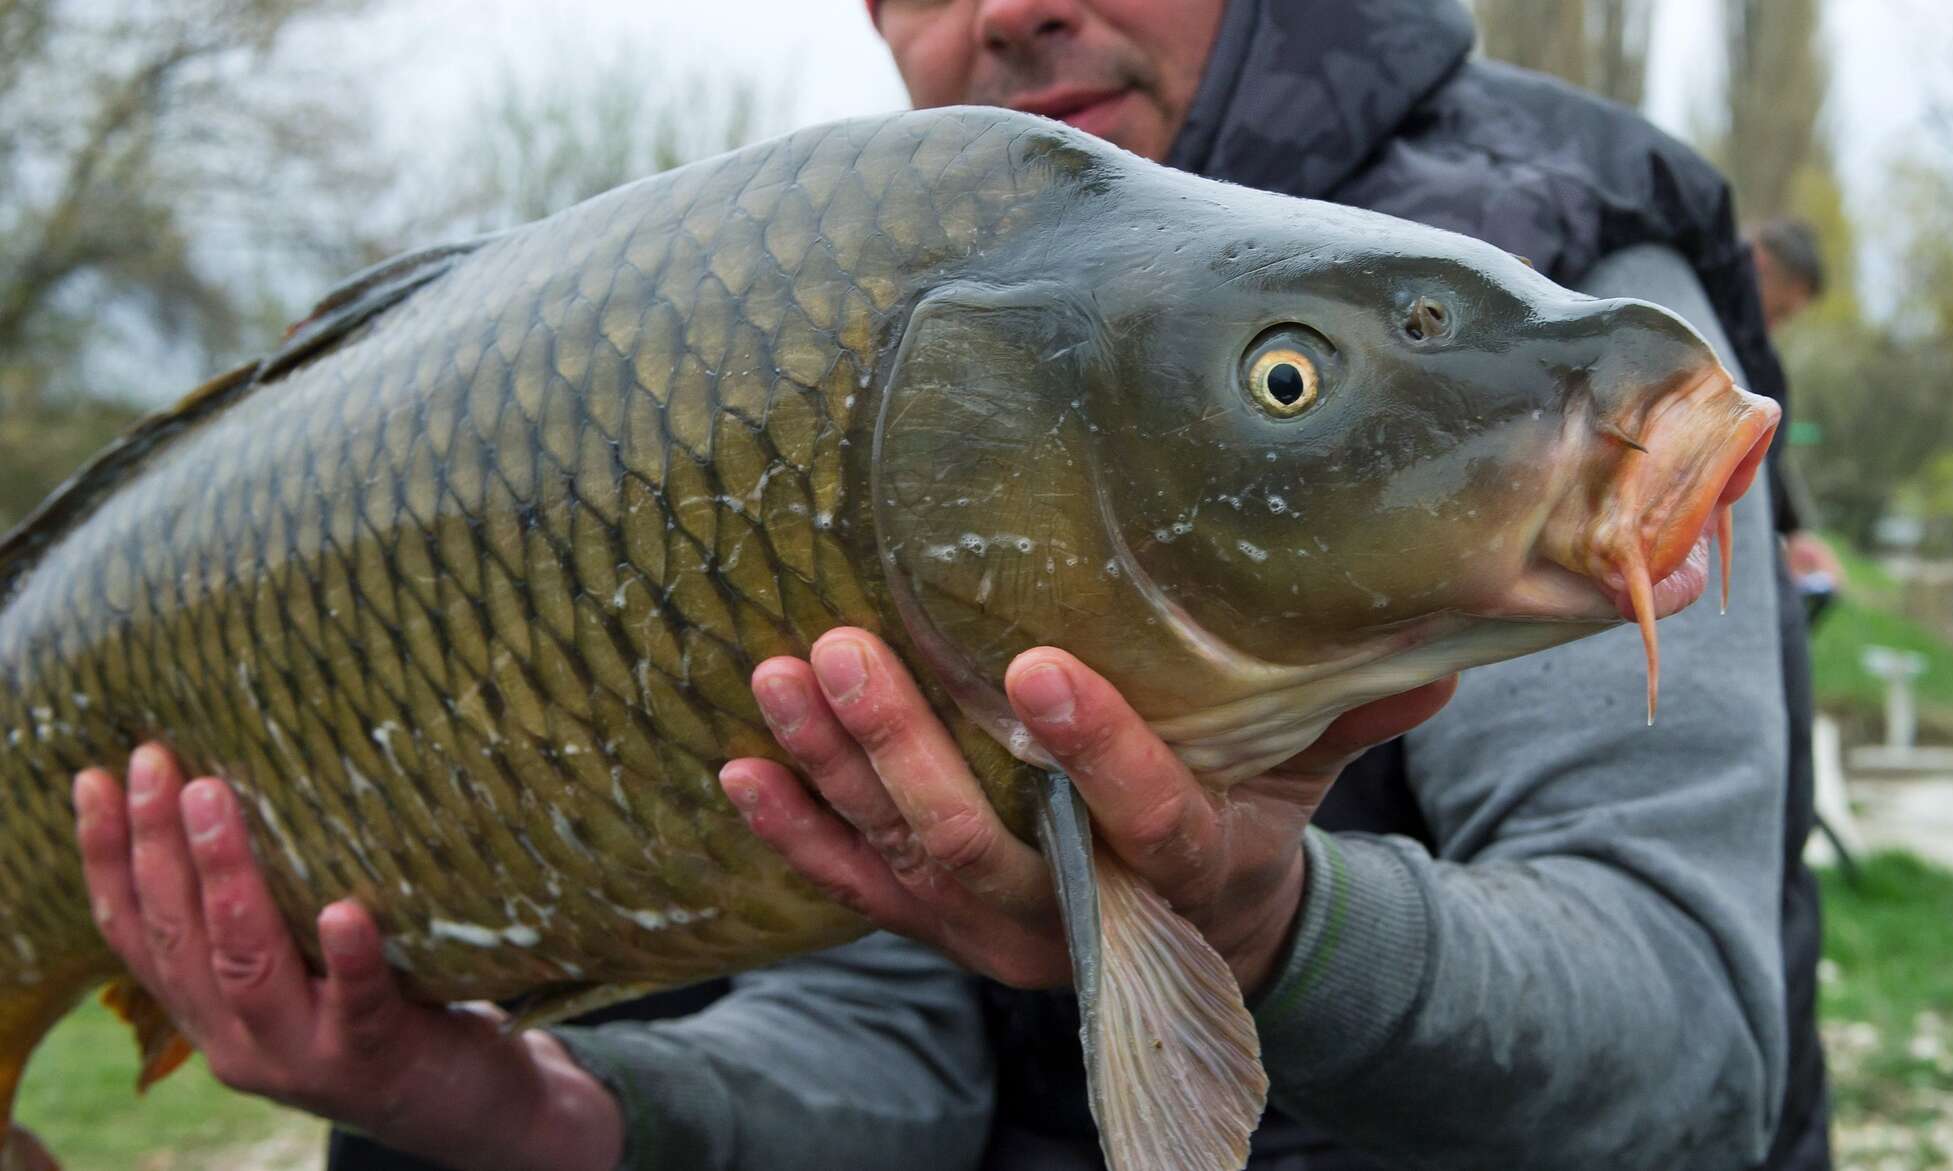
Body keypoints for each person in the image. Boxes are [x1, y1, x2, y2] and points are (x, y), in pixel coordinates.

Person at [71, 2, 1832, 1168]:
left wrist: (1266, 925)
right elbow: (889, 1067)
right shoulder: (823, 324)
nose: (1000, 3)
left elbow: (1686, 1047)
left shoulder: (1545, 288)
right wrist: (501, 1105)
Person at [1747, 216, 1847, 619]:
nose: (1775, 328)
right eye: (1779, 313)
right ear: (1760, 264)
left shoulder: (1757, 352)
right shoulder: (1713, 331)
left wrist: (1793, 531)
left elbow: (1762, 452)